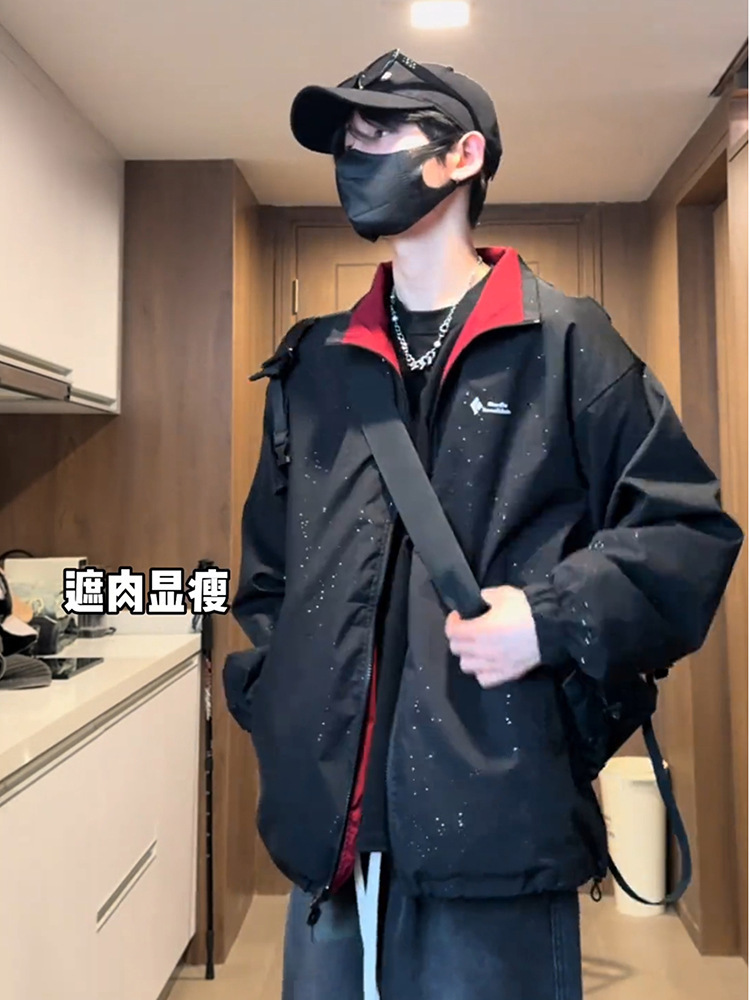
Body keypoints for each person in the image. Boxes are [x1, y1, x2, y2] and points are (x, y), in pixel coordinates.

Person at [224, 50, 742, 1000]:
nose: (354, 153)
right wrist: (286, 707)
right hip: (328, 843)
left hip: (497, 840)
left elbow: (687, 535)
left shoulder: (568, 344)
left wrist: (549, 619)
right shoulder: (314, 369)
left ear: (463, 156)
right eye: (345, 138)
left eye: (381, 131)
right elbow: (267, 583)